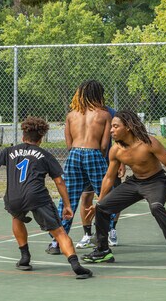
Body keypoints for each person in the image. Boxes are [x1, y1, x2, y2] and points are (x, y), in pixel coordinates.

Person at [0, 117, 92, 279]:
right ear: (40, 139)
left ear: (23, 136)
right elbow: (59, 181)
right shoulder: (45, 155)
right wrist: (67, 204)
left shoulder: (9, 151)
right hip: (37, 196)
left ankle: (24, 257)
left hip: (14, 196)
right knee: (59, 232)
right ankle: (75, 265)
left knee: (16, 218)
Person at [82, 110, 166, 269]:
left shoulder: (149, 143)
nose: (111, 130)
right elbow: (109, 178)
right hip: (134, 182)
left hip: (156, 181)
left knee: (156, 207)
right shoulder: (116, 150)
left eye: (116, 126)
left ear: (128, 127)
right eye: (111, 127)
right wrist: (99, 201)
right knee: (102, 208)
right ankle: (103, 250)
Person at [46, 80, 112, 255]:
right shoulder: (104, 115)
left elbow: (68, 144)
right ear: (99, 95)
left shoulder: (71, 115)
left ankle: (56, 242)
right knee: (107, 196)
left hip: (74, 155)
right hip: (94, 153)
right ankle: (103, 237)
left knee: (68, 199)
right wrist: (100, 159)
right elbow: (105, 145)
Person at [75, 105, 124, 249]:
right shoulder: (80, 112)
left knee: (113, 197)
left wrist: (121, 161)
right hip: (88, 162)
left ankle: (111, 229)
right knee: (86, 197)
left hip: (110, 162)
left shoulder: (111, 113)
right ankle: (87, 234)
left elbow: (119, 138)